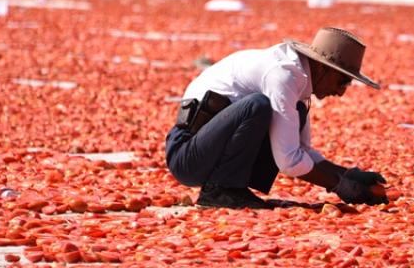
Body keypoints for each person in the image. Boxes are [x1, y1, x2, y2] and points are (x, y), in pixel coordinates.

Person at [166, 26, 389, 209]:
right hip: (187, 155)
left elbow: (301, 149)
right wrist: (340, 185)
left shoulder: (299, 81)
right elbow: (289, 160)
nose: (341, 92)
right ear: (323, 68)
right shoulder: (282, 75)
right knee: (257, 106)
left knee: (293, 113)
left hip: (206, 153)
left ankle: (230, 189)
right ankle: (220, 191)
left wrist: (349, 175)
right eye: (343, 81)